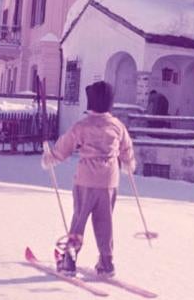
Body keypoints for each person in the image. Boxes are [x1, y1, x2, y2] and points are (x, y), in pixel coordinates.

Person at [42, 79, 135, 278]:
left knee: (79, 220)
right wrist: (128, 162)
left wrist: (52, 157)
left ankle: (69, 261)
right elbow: (126, 148)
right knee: (105, 222)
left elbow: (65, 145)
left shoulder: (83, 125)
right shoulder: (117, 125)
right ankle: (107, 262)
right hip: (109, 181)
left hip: (86, 180)